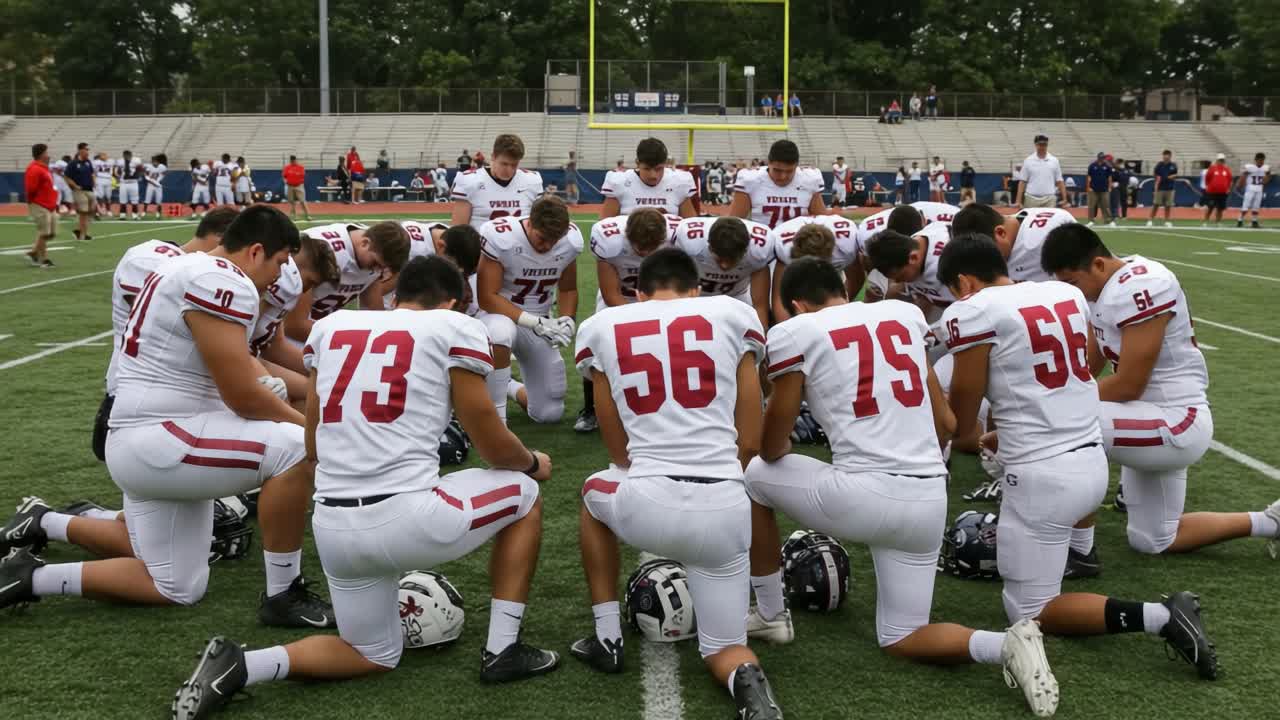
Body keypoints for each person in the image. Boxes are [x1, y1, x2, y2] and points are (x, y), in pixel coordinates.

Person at [170, 255, 559, 718]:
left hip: (334, 526)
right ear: (452, 301)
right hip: (407, 518)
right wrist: (531, 462)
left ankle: (244, 665)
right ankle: (503, 649)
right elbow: (489, 438)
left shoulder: (333, 328)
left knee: (371, 653)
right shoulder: (454, 327)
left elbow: (312, 434)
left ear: (395, 296)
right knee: (525, 494)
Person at [745, 257, 1059, 718]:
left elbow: (772, 448)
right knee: (901, 634)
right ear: (841, 287)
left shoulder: (796, 332)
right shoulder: (903, 315)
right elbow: (948, 423)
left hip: (863, 494)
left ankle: (771, 615)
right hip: (929, 496)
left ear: (795, 305)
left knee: (754, 476)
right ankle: (1004, 645)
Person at [0, 206, 334, 629]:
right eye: (281, 262)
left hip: (152, 436)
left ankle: (31, 577)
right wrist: (312, 432)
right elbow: (243, 398)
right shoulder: (224, 281)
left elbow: (236, 374)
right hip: (162, 436)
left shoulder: (188, 266)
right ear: (255, 252)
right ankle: (283, 593)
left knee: (176, 584)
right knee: (293, 451)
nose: (279, 277)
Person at [940, 232, 1223, 685]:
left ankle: (1159, 616)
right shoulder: (1064, 295)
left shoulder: (974, 310)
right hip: (1089, 462)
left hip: (1050, 470)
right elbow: (1077, 372)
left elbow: (965, 406)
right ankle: (1083, 550)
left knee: (1029, 613)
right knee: (1150, 536)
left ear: (964, 282)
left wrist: (960, 439)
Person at [572, 247, 783, 720]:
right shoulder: (733, 313)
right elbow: (750, 433)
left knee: (592, 494)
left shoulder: (603, 326)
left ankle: (606, 635)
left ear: (640, 292)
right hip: (726, 506)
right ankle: (752, 691)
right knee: (724, 646)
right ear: (696, 289)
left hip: (646, 500)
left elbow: (615, 444)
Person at [1040, 224, 1280, 567]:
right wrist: (1054, 394)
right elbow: (1091, 364)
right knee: (1153, 539)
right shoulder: (1104, 288)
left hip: (1177, 420)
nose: (1073, 292)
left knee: (1073, 425)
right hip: (1144, 416)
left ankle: (1078, 551)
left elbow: (1128, 384)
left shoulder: (1141, 285)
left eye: (1073, 283)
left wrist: (1049, 408)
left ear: (1097, 264)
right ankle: (1270, 522)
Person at [476, 196, 581, 425]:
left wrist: (567, 318)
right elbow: (487, 297)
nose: (548, 246)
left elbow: (568, 289)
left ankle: (507, 387)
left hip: (540, 322)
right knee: (500, 334)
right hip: (498, 315)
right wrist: (533, 321)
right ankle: (496, 417)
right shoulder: (502, 237)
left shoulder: (570, 242)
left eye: (555, 241)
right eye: (543, 238)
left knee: (549, 413)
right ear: (530, 223)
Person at [574, 209, 681, 433]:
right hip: (618, 297)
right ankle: (590, 409)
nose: (644, 253)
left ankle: (666, 402)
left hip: (659, 296)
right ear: (627, 236)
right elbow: (610, 293)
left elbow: (677, 284)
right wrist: (641, 322)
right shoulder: (609, 240)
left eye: (651, 248)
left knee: (672, 345)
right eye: (639, 247)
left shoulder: (678, 236)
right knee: (596, 345)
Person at [675, 215, 773, 331]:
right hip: (694, 297)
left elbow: (760, 305)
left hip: (737, 297)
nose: (724, 266)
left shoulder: (758, 251)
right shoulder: (690, 243)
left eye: (732, 259)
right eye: (720, 258)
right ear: (709, 246)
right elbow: (675, 290)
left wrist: (762, 337)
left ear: (746, 250)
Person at [767, 215, 860, 322]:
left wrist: (838, 309)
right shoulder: (785, 249)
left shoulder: (847, 246)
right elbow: (779, 299)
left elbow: (856, 279)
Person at [449, 134, 543, 229]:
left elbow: (539, 227)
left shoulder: (531, 181)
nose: (509, 170)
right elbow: (458, 231)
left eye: (514, 165)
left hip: (520, 243)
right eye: (504, 164)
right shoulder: (469, 180)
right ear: (493, 157)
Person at [730, 139, 826, 229]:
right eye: (777, 170)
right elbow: (734, 223)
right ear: (769, 163)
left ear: (797, 166)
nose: (782, 176)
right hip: (763, 243)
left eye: (789, 171)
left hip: (797, 244)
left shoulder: (809, 180)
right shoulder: (751, 180)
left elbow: (823, 222)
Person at [600, 138, 697, 218]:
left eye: (659, 169)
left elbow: (691, 228)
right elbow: (604, 228)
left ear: (665, 164)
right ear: (637, 164)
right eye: (647, 169)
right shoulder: (619, 182)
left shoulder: (679, 182)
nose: (653, 175)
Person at [23, 143, 57, 268]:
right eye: (47, 153)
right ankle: (44, 260)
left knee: (51, 233)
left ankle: (33, 252)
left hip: (49, 205)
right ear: (41, 154)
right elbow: (30, 189)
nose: (49, 155)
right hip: (39, 205)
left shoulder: (44, 168)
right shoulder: (34, 169)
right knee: (44, 232)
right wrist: (34, 202)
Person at [1015, 135, 1065, 209]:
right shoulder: (1028, 160)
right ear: (1035, 145)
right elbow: (1022, 182)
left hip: (1049, 199)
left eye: (1045, 145)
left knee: (1050, 220)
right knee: (1031, 219)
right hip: (1031, 198)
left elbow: (1059, 181)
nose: (1042, 147)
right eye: (1040, 144)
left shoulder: (1054, 160)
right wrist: (1018, 201)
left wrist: (1065, 199)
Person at [65, 142, 97, 240]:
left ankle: (79, 231)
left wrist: (94, 181)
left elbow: (92, 173)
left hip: (89, 189)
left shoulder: (88, 162)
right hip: (79, 190)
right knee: (83, 211)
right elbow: (66, 177)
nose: (87, 151)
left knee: (92, 211)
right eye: (86, 149)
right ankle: (83, 235)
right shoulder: (73, 163)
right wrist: (74, 186)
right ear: (80, 150)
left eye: (88, 150)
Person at [1236, 152, 1270, 228]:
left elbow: (1268, 176)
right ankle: (1240, 220)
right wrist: (1240, 185)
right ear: (1256, 160)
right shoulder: (1250, 167)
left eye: (1262, 160)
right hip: (1250, 188)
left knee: (1256, 206)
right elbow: (1243, 176)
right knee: (1246, 206)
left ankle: (1254, 221)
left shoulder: (1265, 167)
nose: (1261, 162)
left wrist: (1265, 181)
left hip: (1259, 188)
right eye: (1260, 160)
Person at [1147, 150, 1178, 227]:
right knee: (1156, 204)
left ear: (1170, 156)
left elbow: (1175, 174)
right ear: (1163, 156)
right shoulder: (1159, 165)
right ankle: (1150, 220)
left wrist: (1172, 176)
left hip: (1170, 188)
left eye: (1167, 156)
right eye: (1164, 156)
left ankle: (1167, 221)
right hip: (1160, 187)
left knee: (1168, 205)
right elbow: (1155, 174)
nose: (1166, 157)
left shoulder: (1173, 165)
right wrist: (1157, 179)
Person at [1201, 153, 1232, 226]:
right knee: (1210, 207)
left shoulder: (1227, 169)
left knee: (1220, 208)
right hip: (1212, 192)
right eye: (1220, 160)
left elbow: (1229, 180)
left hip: (1223, 192)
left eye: (1222, 160)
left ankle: (1218, 222)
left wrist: (1228, 188)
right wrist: (1209, 187)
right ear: (1217, 160)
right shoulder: (1212, 168)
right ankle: (1205, 222)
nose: (1221, 162)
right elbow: (1207, 179)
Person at [1086, 152, 1115, 227]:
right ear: (1098, 158)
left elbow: (1109, 177)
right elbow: (1089, 177)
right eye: (1100, 158)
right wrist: (1088, 187)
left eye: (1103, 158)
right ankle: (1091, 220)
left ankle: (1108, 220)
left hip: (1104, 189)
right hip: (1093, 189)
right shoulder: (1092, 166)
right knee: (1091, 205)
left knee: (1106, 205)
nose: (1102, 159)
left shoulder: (1107, 166)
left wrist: (1109, 187)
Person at [116, 150, 144, 219]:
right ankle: (122, 215)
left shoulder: (136, 160)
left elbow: (141, 169)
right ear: (123, 156)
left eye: (128, 156)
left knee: (134, 200)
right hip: (124, 183)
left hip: (133, 182)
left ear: (131, 155)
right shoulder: (120, 161)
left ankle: (135, 215)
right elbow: (118, 171)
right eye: (125, 156)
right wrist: (119, 176)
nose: (127, 157)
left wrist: (139, 175)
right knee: (122, 200)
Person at [283, 155, 310, 221]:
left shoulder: (300, 167)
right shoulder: (287, 168)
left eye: (293, 160)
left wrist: (298, 181)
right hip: (290, 186)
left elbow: (302, 176)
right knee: (292, 202)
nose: (292, 161)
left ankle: (307, 215)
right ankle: (295, 216)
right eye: (291, 160)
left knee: (302, 201)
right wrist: (285, 181)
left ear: (295, 160)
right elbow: (284, 176)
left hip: (299, 186)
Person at [142, 153, 168, 219]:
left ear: (158, 161)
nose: (154, 163)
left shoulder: (162, 167)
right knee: (147, 199)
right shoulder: (149, 166)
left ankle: (158, 214)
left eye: (155, 161)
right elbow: (145, 174)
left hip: (158, 185)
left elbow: (164, 174)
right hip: (150, 185)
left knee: (159, 200)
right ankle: (143, 212)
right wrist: (150, 180)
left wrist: (159, 181)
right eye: (153, 161)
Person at [93, 151, 114, 217]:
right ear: (99, 156)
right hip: (99, 179)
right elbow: (93, 173)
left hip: (108, 180)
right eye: (102, 155)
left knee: (108, 196)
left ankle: (109, 210)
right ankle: (101, 208)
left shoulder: (111, 161)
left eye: (105, 155)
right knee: (100, 195)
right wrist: (94, 182)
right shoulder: (96, 162)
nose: (105, 156)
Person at [1109, 157, 1130, 221]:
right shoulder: (1114, 169)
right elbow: (1113, 177)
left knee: (1124, 202)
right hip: (1116, 187)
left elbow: (1127, 178)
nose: (1120, 164)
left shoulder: (1125, 170)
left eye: (1121, 163)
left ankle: (1124, 216)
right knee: (1115, 201)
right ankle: (1115, 215)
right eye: (1119, 163)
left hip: (1123, 186)